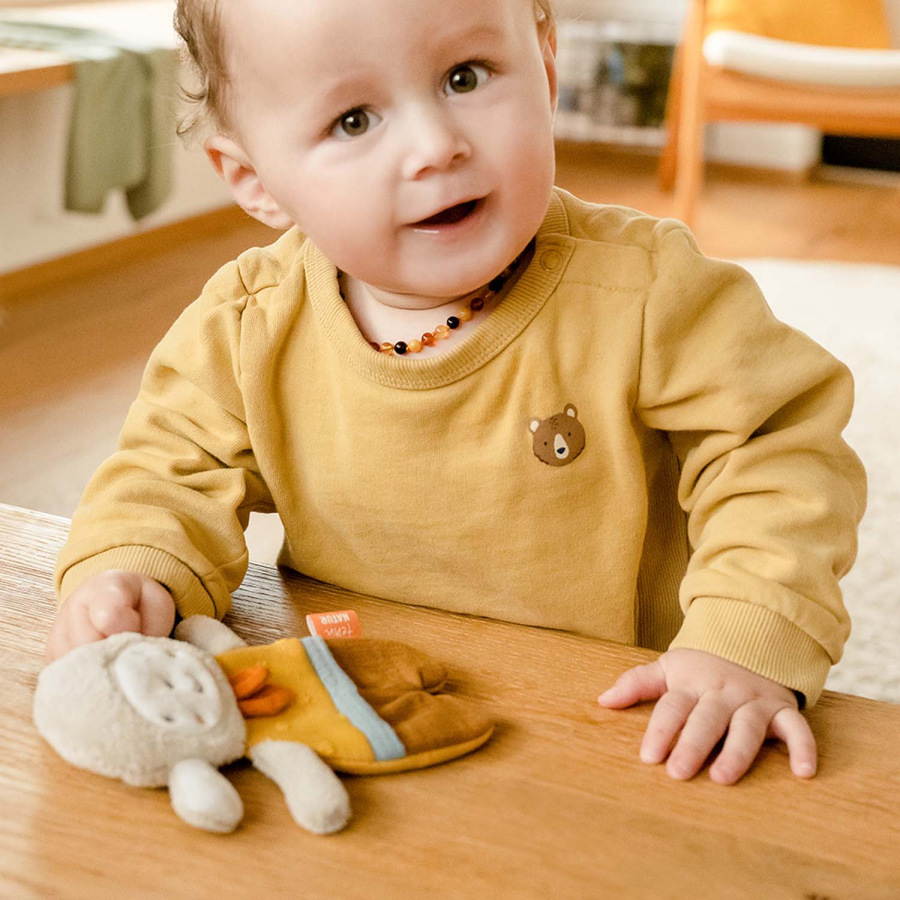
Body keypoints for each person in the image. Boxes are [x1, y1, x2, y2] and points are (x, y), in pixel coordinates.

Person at [45, 0, 866, 786]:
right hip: (355, 697)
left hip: (621, 717)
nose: (435, 147)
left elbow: (780, 451)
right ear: (256, 180)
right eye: (354, 120)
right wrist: (131, 571)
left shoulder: (646, 290)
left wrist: (745, 636)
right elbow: (167, 473)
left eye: (465, 77)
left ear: (546, 70)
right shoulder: (247, 324)